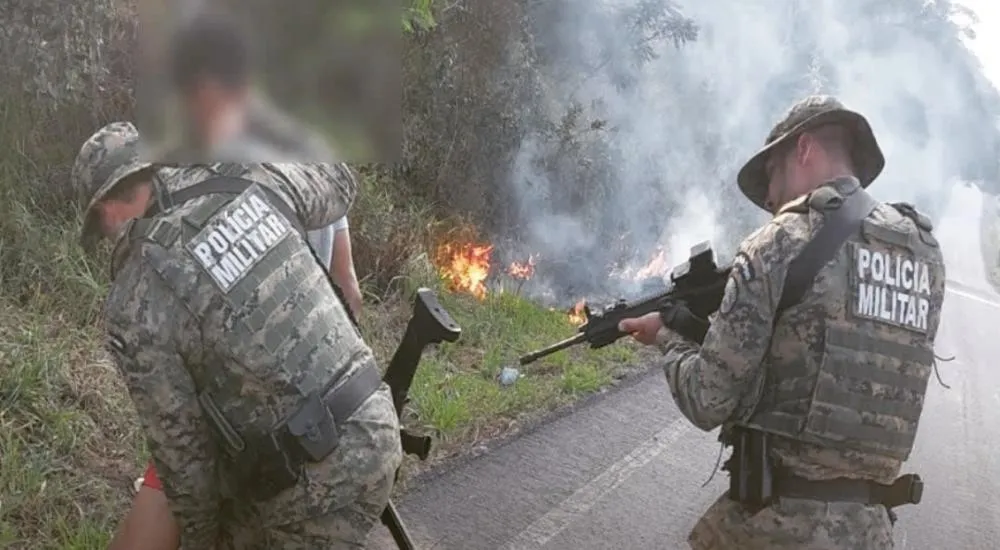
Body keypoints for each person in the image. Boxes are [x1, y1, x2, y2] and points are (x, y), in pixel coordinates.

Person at [618, 95, 946, 549]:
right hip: (870, 533)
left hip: (778, 530)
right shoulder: (925, 254)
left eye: (771, 174)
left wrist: (667, 338)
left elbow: (707, 400)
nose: (769, 199)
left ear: (804, 148)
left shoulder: (779, 242)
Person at [79, 120, 400, 550]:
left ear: (105, 210)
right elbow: (340, 179)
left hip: (316, 485)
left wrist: (200, 543)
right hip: (377, 422)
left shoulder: (135, 297)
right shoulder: (245, 174)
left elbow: (185, 465)